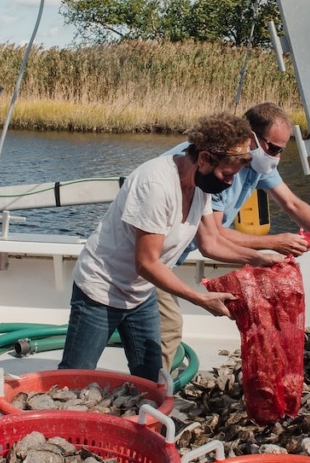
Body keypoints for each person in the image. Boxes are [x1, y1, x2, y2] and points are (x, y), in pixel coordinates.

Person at [58, 113, 285, 381]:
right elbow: (146, 263)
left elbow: (210, 242)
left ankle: (146, 418)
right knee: (73, 378)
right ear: (203, 159)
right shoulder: (156, 185)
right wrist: (199, 298)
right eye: (226, 174)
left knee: (152, 381)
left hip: (140, 294)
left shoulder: (201, 185)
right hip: (101, 290)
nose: (230, 182)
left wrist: (260, 259)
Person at [157, 102, 310, 370]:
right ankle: (155, 396)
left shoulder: (258, 165)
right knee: (169, 329)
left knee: (158, 328)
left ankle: (151, 390)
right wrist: (273, 244)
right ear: (251, 138)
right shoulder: (218, 171)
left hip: (168, 257)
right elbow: (212, 238)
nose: (277, 157)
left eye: (283, 150)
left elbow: (292, 205)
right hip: (151, 257)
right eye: (273, 149)